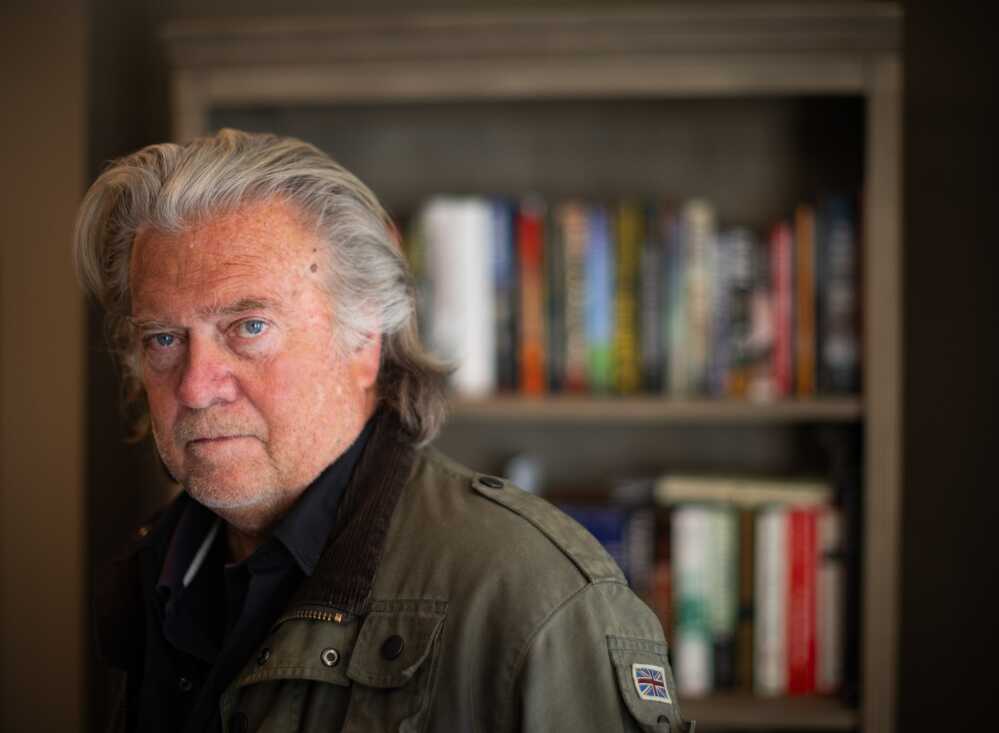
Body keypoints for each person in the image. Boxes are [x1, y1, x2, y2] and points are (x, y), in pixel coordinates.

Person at [79, 129, 693, 733]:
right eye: (163, 338)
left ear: (365, 338)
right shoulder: (152, 572)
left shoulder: (535, 601)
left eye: (249, 327)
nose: (195, 385)